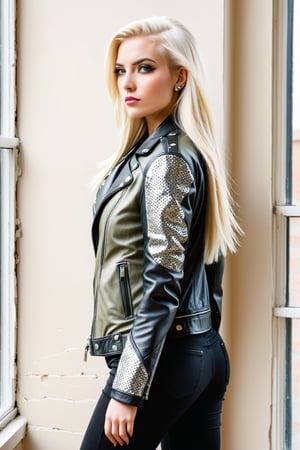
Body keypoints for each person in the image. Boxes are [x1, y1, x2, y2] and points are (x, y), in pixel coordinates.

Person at [80, 16, 241, 450]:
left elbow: (163, 282)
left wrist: (128, 390)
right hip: (197, 353)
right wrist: (200, 351)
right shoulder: (172, 151)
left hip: (162, 362)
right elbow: (209, 266)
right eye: (121, 69)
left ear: (179, 77)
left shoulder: (166, 162)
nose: (127, 82)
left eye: (145, 68)